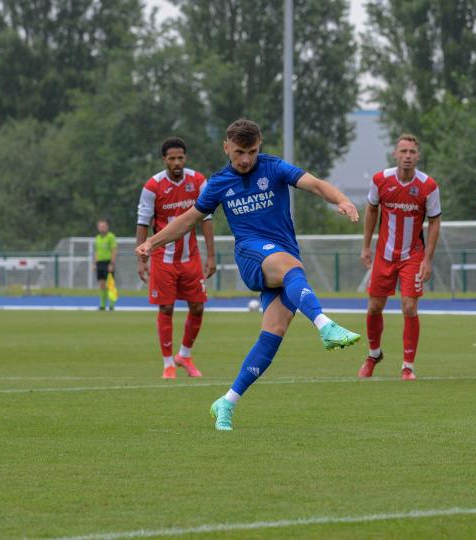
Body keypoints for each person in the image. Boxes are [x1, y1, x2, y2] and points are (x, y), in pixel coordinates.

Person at [135, 119, 361, 431]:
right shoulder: (217, 183)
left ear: (259, 147)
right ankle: (324, 325)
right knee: (293, 269)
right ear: (226, 147)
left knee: (273, 334)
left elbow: (316, 184)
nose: (245, 159)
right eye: (239, 152)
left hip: (280, 257)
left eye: (252, 151)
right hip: (252, 255)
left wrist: (343, 200)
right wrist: (151, 241)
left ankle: (227, 402)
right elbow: (187, 220)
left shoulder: (274, 168)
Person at [358, 134, 441, 380]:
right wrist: (366, 246)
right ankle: (374, 355)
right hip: (384, 255)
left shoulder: (428, 186)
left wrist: (428, 259)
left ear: (418, 155)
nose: (407, 156)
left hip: (412, 257)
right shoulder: (381, 180)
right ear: (395, 154)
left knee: (409, 307)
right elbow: (372, 210)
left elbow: (435, 222)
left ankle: (408, 366)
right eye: (403, 151)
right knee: (374, 307)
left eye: (412, 152)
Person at [136, 137, 217, 379]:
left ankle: (185, 355)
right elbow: (142, 222)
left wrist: (210, 256)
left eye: (180, 157)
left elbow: (207, 219)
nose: (177, 162)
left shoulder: (198, 181)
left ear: (185, 158)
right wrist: (142, 258)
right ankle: (168, 363)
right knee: (166, 308)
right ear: (164, 160)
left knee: (197, 307)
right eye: (172, 158)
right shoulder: (153, 186)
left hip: (190, 257)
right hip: (163, 258)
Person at [93, 219, 117, 310]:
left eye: (103, 226)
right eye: (100, 227)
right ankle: (102, 305)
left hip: (108, 263)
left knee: (110, 284)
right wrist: (94, 263)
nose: (102, 228)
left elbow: (114, 250)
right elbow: (96, 251)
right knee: (102, 283)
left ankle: (111, 305)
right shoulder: (97, 238)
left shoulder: (111, 237)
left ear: (107, 227)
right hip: (100, 263)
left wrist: (112, 263)